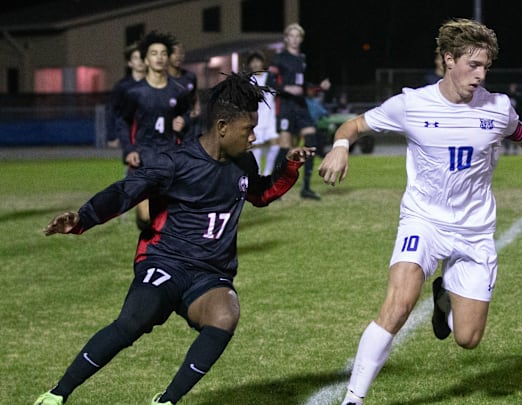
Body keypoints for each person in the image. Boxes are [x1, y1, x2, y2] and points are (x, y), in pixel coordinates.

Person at [317, 18, 522, 405]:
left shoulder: (498, 109)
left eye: (486, 66)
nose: (481, 75)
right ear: (448, 60)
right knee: (398, 303)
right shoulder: (411, 105)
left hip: (475, 230)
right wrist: (340, 147)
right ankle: (354, 398)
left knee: (467, 339)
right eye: (474, 65)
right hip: (423, 219)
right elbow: (353, 125)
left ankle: (444, 296)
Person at [32, 71, 314, 405]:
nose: (253, 137)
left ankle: (165, 401)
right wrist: (82, 219)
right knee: (134, 320)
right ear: (222, 127)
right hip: (165, 259)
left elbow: (261, 194)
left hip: (209, 272)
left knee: (226, 314)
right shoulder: (175, 163)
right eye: (248, 129)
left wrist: (288, 168)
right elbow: (126, 191)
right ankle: (57, 394)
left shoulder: (243, 162)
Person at [116, 30, 193, 231]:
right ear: (146, 60)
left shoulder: (178, 91)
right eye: (153, 53)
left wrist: (183, 121)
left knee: (170, 218)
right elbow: (122, 122)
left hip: (169, 156)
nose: (159, 57)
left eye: (163, 53)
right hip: (143, 157)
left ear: (168, 58)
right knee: (146, 220)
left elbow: (187, 114)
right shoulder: (134, 93)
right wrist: (129, 150)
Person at [269, 22, 331, 200]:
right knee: (285, 148)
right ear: (286, 38)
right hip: (286, 106)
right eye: (292, 36)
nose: (295, 39)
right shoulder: (279, 58)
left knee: (311, 143)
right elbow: (270, 82)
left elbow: (303, 86)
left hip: (300, 106)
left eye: (298, 36)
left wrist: (319, 88)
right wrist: (286, 88)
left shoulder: (301, 59)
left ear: (301, 39)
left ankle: (306, 187)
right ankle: (275, 186)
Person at [105, 42, 146, 149]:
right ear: (130, 63)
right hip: (129, 134)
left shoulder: (157, 84)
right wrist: (112, 136)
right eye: (136, 58)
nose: (140, 61)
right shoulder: (122, 86)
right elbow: (112, 111)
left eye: (142, 57)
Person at [246, 51, 281, 176]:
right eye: (253, 62)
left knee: (275, 145)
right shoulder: (249, 80)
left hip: (270, 118)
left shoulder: (269, 77)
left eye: (258, 61)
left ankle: (267, 172)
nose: (255, 64)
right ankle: (258, 173)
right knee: (257, 147)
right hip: (256, 118)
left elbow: (278, 91)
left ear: (262, 63)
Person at [168, 41, 202, 139]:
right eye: (174, 53)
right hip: (171, 124)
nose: (178, 56)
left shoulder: (190, 76)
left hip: (189, 122)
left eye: (181, 53)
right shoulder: (163, 79)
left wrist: (197, 108)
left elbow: (194, 94)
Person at [503, 82, 522, 155]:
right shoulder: (507, 97)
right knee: (506, 135)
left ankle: (515, 149)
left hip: (516, 119)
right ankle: (507, 149)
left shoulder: (518, 97)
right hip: (507, 119)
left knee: (516, 134)